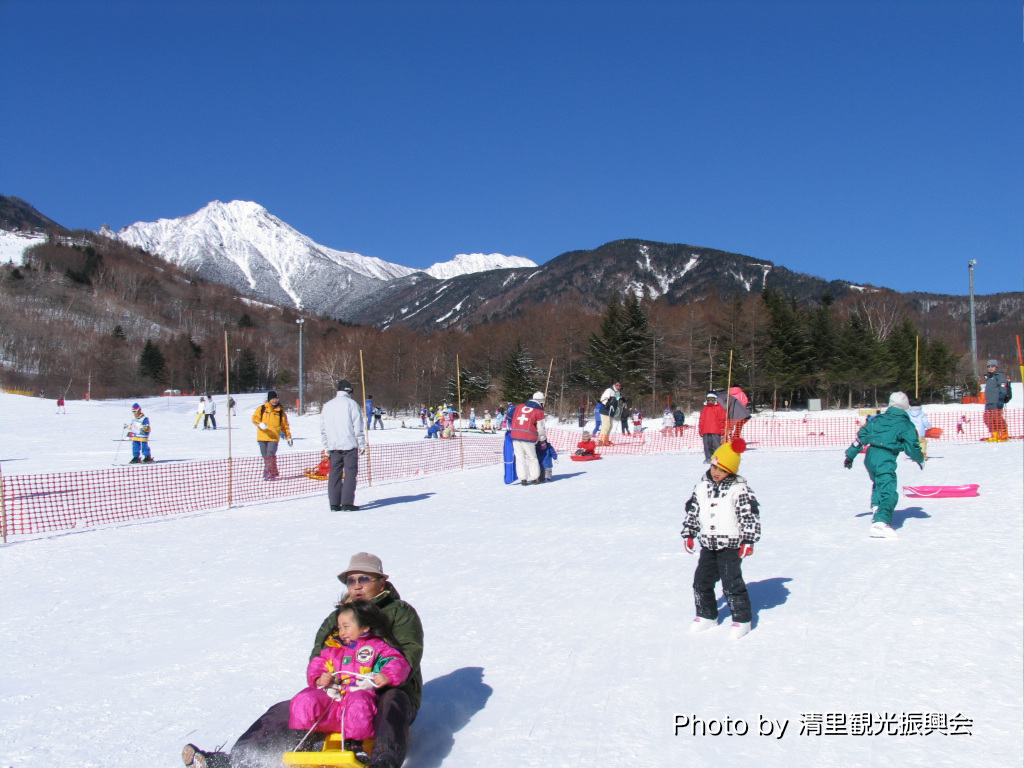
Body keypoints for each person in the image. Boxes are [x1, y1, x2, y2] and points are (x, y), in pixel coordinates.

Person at [182, 553, 423, 768]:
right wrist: (322, 678)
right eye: (351, 580)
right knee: (290, 707)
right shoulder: (338, 617)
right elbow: (320, 655)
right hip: (339, 694)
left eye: (364, 579)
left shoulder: (399, 611)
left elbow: (408, 653)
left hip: (385, 690)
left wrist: (382, 677)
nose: (357, 585)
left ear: (381, 581)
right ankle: (239, 760)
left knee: (392, 701)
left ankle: (384, 761)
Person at [288, 600, 411, 757]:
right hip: (334, 702)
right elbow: (318, 664)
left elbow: (397, 662)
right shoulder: (333, 648)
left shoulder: (377, 647)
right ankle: (303, 740)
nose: (342, 632)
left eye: (347, 627)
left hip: (361, 699)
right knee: (305, 698)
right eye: (340, 627)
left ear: (365, 627)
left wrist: (385, 676)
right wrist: (320, 678)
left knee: (359, 701)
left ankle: (354, 745)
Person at [680, 438, 759, 639]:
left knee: (731, 583)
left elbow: (749, 515)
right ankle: (707, 614)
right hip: (708, 544)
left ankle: (742, 619)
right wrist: (689, 533)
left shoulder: (739, 489)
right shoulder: (702, 487)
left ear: (730, 472)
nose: (716, 473)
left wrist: (748, 540)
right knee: (700, 581)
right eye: (715, 467)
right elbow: (693, 511)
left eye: (722, 470)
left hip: (731, 545)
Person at [843, 391, 924, 539]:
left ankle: (876, 507)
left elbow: (861, 437)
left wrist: (850, 455)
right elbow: (912, 446)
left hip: (870, 457)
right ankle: (880, 523)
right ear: (906, 406)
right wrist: (920, 458)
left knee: (879, 483)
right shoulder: (905, 424)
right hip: (885, 457)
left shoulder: (877, 420)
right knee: (889, 491)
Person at [321, 380, 366, 511]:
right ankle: (347, 503)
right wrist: (361, 443)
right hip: (350, 444)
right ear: (349, 391)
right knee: (350, 472)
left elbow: (323, 427)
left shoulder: (327, 405)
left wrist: (326, 445)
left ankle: (334, 504)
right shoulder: (352, 404)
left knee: (334, 472)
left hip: (333, 445)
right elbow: (358, 425)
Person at [253, 391, 292, 480]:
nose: (275, 401)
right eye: (273, 399)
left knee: (270, 455)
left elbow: (285, 426)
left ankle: (267, 472)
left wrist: (288, 437)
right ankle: (274, 472)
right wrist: (260, 424)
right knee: (265, 455)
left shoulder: (281, 412)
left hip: (274, 437)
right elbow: (255, 418)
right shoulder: (262, 409)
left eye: (276, 399)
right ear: (269, 399)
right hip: (262, 436)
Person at [509, 392, 547, 484]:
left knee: (520, 458)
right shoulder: (539, 412)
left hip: (515, 434)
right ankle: (535, 477)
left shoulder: (519, 406)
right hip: (528, 437)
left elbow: (509, 415)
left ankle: (523, 478)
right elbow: (541, 429)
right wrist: (542, 441)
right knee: (532, 458)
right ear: (541, 402)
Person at [982, 359, 1011, 442]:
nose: (990, 368)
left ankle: (1004, 433)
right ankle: (995, 434)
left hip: (996, 401)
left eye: (992, 366)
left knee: (997, 418)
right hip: (989, 401)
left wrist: (1001, 398)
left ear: (996, 367)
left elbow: (1003, 386)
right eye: (989, 366)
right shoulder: (989, 377)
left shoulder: (999, 375)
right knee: (987, 418)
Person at [698, 392, 726, 463]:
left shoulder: (719, 408)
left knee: (717, 445)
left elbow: (722, 419)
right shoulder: (705, 408)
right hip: (706, 430)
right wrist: (701, 428)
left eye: (712, 399)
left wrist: (722, 429)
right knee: (707, 445)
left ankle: (718, 458)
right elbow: (702, 419)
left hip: (716, 430)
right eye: (709, 399)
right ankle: (708, 458)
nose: (710, 401)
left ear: (715, 399)